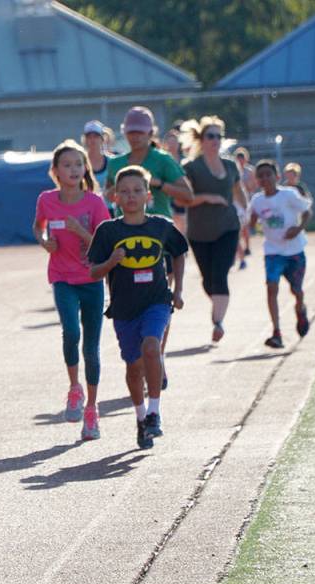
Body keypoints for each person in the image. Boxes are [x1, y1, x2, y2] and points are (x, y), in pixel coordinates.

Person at [88, 166, 188, 450]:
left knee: (152, 347)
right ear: (115, 197)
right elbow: (94, 272)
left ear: (148, 195)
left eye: (137, 190)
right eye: (124, 192)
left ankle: (155, 411)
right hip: (124, 309)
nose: (131, 196)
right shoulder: (108, 231)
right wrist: (111, 262)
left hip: (157, 301)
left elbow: (179, 253)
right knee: (134, 367)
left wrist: (178, 290)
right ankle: (141, 417)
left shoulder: (161, 226)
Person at [104, 106, 194, 389]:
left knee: (158, 302)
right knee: (128, 303)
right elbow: (108, 194)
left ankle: (156, 358)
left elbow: (187, 194)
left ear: (150, 132)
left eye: (140, 132)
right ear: (124, 132)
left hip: (157, 242)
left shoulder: (162, 160)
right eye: (131, 131)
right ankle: (140, 360)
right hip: (123, 241)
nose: (135, 137)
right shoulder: (117, 163)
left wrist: (158, 184)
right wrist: (115, 193)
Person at [33, 140, 110, 440]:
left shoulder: (94, 203)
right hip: (62, 277)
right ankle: (74, 388)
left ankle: (91, 408)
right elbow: (38, 226)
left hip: (91, 278)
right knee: (71, 331)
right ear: (55, 171)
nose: (74, 169)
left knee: (91, 347)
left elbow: (105, 244)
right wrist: (45, 241)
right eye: (67, 165)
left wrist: (80, 230)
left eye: (78, 164)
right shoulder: (46, 200)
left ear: (85, 169)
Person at [180, 116, 248, 343]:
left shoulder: (230, 165)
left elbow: (238, 191)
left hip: (228, 227)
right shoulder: (191, 167)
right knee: (207, 281)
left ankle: (218, 322)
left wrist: (246, 211)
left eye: (219, 136)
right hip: (199, 232)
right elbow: (184, 198)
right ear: (202, 139)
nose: (215, 140)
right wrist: (208, 197)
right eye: (211, 136)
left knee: (220, 275)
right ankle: (220, 303)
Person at [248, 160, 313, 349]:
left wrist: (298, 229)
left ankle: (300, 309)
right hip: (273, 252)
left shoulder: (288, 195)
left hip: (294, 251)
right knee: (271, 287)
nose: (265, 179)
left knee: (297, 290)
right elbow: (252, 221)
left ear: (277, 177)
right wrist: (252, 224)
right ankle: (276, 332)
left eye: (268, 174)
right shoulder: (257, 201)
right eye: (260, 176)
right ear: (257, 180)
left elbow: (307, 212)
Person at [162, 121, 189, 235]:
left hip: (182, 200)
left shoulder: (185, 161)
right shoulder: (163, 161)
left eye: (174, 142)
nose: (172, 145)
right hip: (168, 199)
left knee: (182, 231)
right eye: (170, 142)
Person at [233, 147, 259, 265]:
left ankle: (247, 247)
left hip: (247, 200)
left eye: (242, 158)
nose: (240, 160)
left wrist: (244, 187)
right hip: (235, 202)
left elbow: (253, 186)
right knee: (238, 228)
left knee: (245, 227)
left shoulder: (250, 171)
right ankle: (238, 251)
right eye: (238, 158)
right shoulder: (233, 169)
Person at [82, 120, 114, 213]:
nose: (92, 140)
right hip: (86, 210)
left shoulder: (112, 161)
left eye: (96, 136)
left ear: (102, 139)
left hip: (108, 210)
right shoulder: (79, 162)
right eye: (89, 136)